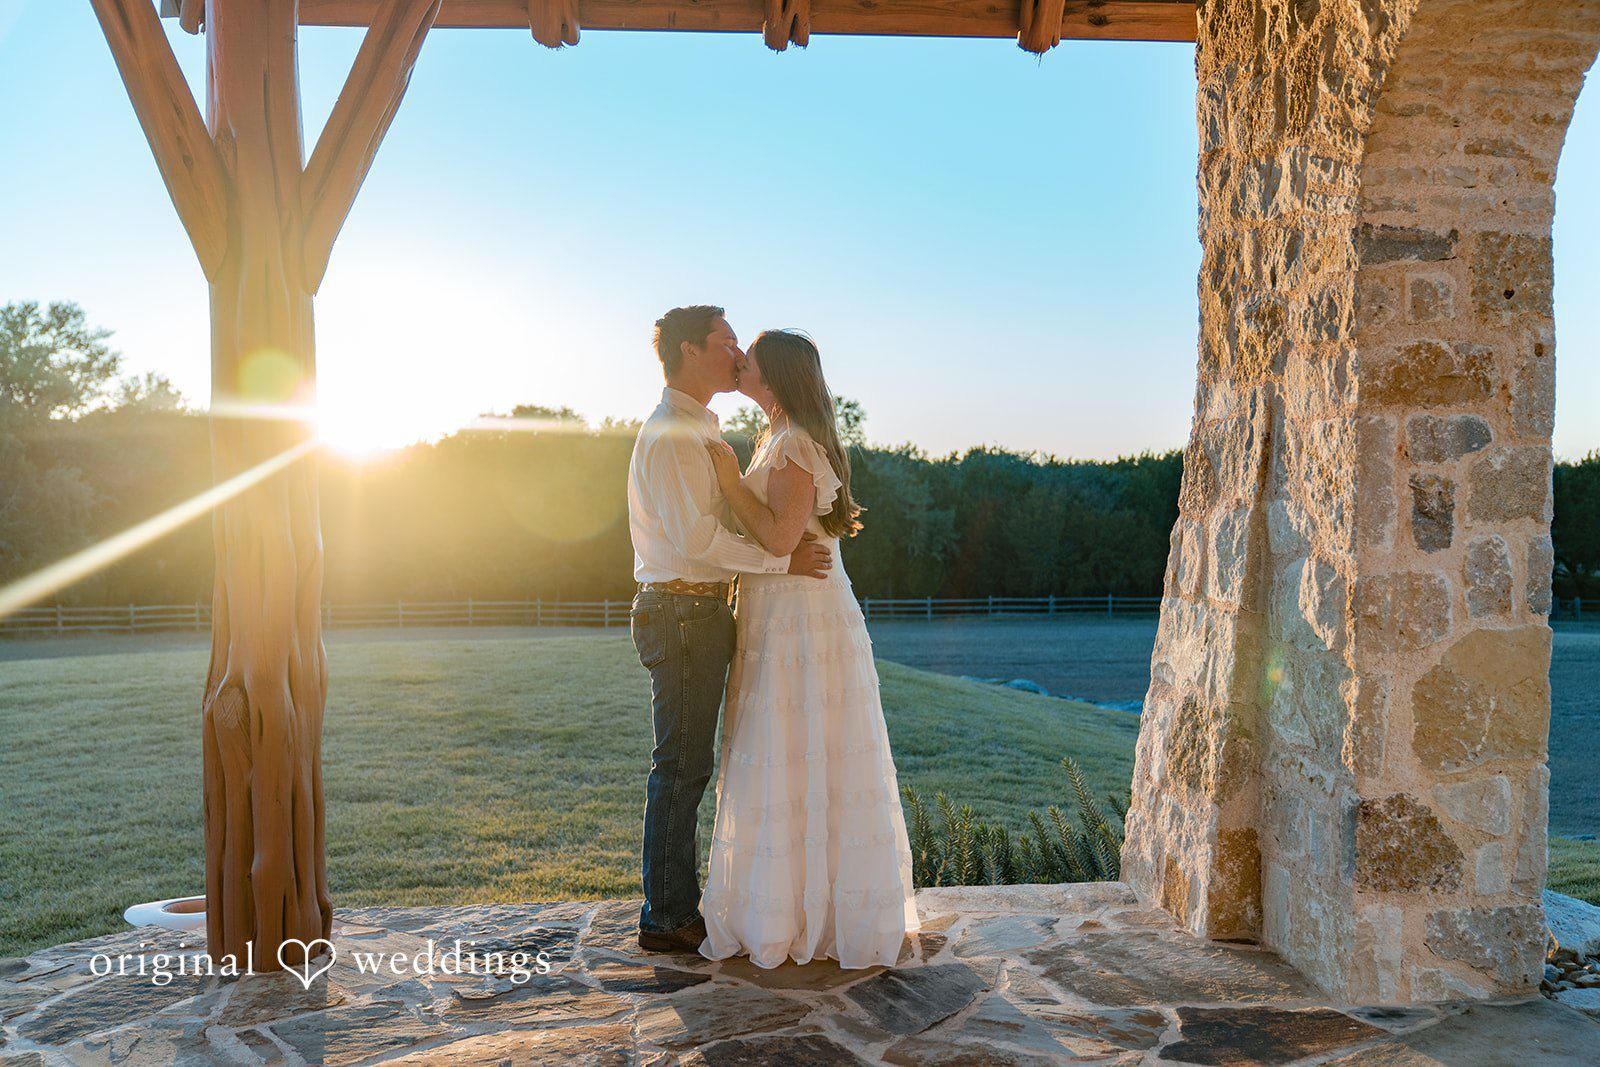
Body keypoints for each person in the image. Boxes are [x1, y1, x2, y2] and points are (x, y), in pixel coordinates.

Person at [698, 328, 919, 969]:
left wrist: (725, 477)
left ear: (775, 377)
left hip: (803, 618)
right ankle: (784, 906)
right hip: (778, 611)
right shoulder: (778, 435)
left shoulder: (793, 440)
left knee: (802, 748)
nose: (740, 363)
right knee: (784, 751)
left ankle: (812, 918)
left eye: (751, 359)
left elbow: (779, 539)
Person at [626, 306, 833, 953]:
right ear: (690, 351)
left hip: (699, 610)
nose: (736, 353)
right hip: (683, 610)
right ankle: (666, 917)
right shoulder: (671, 435)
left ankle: (675, 906)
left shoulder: (700, 428)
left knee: (688, 764)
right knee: (681, 766)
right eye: (725, 342)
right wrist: (781, 557)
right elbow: (696, 539)